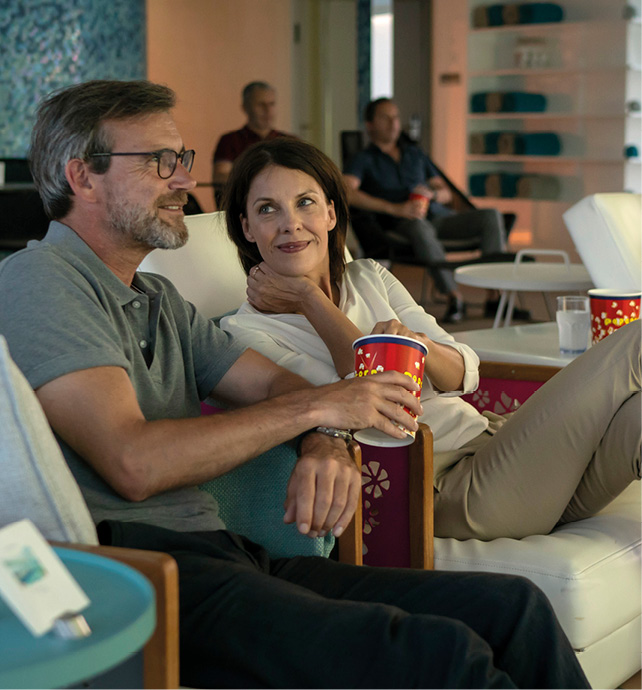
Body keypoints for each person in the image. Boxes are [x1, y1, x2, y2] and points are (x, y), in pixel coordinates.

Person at [0, 79, 590, 690]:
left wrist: (324, 440)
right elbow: (132, 461)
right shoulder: (40, 281)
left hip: (221, 551)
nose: (182, 180)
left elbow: (277, 390)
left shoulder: (158, 299)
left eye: (182, 160)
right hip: (139, 574)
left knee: (514, 610)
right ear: (82, 177)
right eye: (158, 161)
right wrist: (323, 406)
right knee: (437, 654)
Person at [221, 136, 641, 544]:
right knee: (635, 341)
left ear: (331, 214)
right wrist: (309, 298)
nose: (290, 222)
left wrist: (422, 345)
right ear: (247, 227)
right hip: (446, 489)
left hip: (496, 444)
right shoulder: (245, 335)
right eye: (267, 209)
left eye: (305, 202)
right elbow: (376, 398)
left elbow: (464, 370)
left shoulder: (369, 276)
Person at [344, 97, 509, 323]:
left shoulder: (415, 153)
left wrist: (432, 195)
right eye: (385, 117)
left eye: (396, 117)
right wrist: (395, 208)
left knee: (491, 215)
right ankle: (453, 296)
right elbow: (347, 192)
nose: (394, 123)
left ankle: (494, 296)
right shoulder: (363, 159)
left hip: (439, 218)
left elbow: (446, 193)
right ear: (370, 124)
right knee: (419, 226)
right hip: (401, 224)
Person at [212, 81, 293, 188]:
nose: (268, 110)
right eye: (261, 105)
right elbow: (220, 177)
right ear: (245, 107)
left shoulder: (290, 141)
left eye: (271, 104)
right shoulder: (230, 141)